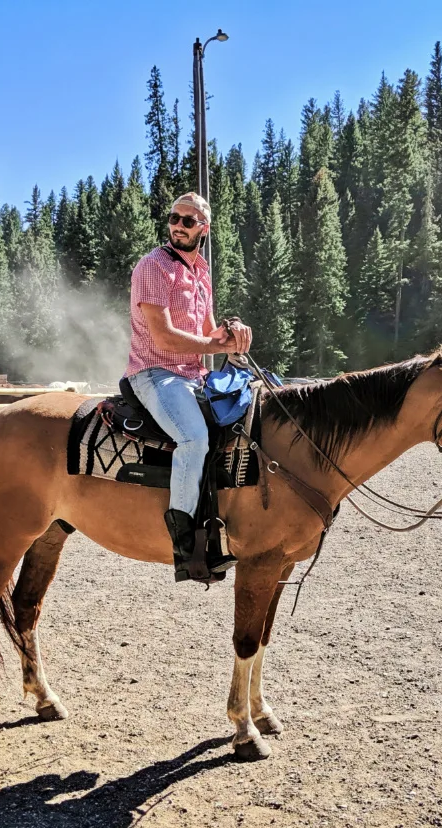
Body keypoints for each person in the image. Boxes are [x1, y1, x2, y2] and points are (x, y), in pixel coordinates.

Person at [124, 192, 253, 582]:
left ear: (204, 229)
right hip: (155, 373)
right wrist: (216, 345)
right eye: (174, 218)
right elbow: (163, 338)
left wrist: (232, 333)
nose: (178, 225)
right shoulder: (153, 267)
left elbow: (205, 331)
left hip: (193, 375)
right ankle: (184, 543)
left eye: (188, 220)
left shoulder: (201, 271)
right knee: (194, 439)